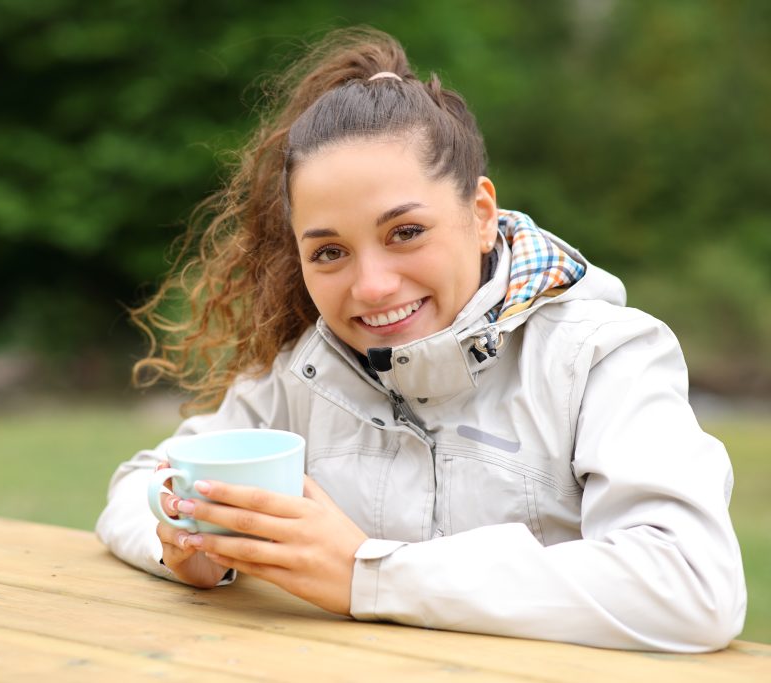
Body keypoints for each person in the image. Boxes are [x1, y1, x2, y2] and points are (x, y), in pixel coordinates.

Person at [95, 27, 746, 652]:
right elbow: (135, 485)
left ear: (481, 215)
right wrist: (188, 546)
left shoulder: (604, 357)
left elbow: (692, 583)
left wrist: (366, 574)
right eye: (329, 252)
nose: (372, 285)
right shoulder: (306, 376)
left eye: (405, 232)